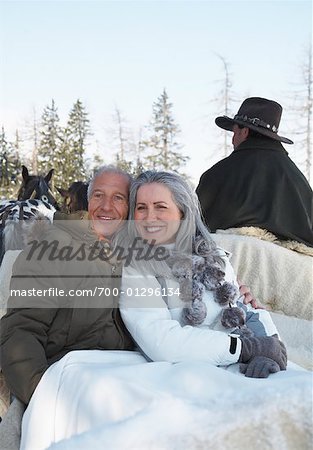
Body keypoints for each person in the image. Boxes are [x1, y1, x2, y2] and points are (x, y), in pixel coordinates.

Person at [119, 170, 287, 378]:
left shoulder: (213, 255)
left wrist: (269, 350)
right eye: (141, 208)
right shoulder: (137, 266)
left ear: (183, 212)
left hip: (238, 363)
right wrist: (244, 348)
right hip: (185, 374)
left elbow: (246, 311)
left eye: (160, 207)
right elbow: (159, 340)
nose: (149, 217)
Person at [0, 165, 135, 406]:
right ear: (88, 201)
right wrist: (46, 399)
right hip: (66, 385)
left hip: (127, 383)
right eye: (98, 195)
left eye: (118, 198)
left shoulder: (135, 257)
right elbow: (21, 331)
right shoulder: (52, 249)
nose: (106, 206)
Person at [196, 97, 313, 248]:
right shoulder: (297, 180)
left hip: (229, 260)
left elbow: (194, 226)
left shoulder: (218, 173)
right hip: (294, 267)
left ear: (244, 132)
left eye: (234, 132)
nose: (232, 140)